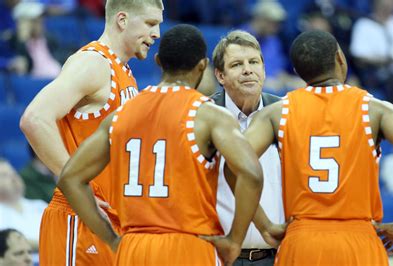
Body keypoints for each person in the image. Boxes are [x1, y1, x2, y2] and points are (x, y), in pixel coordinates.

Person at [57, 24, 263, 265]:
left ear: (157, 61)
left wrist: (110, 239)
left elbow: (69, 178)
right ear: (203, 66)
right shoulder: (209, 115)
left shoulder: (121, 114)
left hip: (134, 247)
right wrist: (234, 240)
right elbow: (251, 174)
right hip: (187, 244)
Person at [241, 30, 393, 265]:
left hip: (303, 241)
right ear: (340, 58)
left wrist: (264, 225)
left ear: (297, 71)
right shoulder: (374, 109)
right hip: (359, 240)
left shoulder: (276, 113)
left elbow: (234, 166)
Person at [19, 0, 163, 264]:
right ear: (122, 20)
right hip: (79, 219)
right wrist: (77, 188)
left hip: (108, 219)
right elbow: (34, 119)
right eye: (151, 23)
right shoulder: (93, 63)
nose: (157, 34)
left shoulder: (124, 71)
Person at [211, 30, 284, 265]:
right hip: (218, 256)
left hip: (275, 256)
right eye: (236, 64)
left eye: (254, 62)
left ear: (263, 67)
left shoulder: (287, 113)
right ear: (220, 75)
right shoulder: (203, 115)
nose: (248, 70)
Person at [0, 159, 47, 251]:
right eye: (4, 176)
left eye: (14, 173)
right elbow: (6, 244)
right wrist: (48, 244)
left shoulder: (40, 205)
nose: (13, 178)